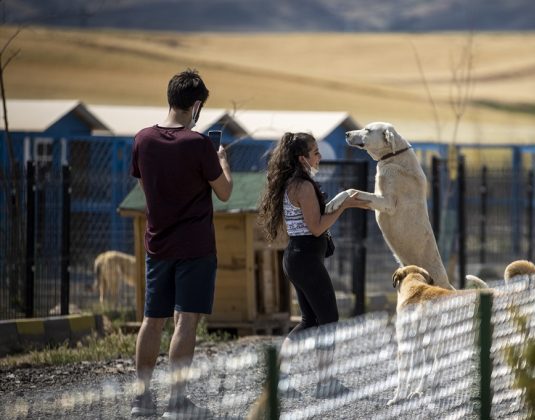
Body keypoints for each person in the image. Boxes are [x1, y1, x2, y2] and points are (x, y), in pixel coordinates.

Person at [129, 69, 233, 419]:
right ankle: (176, 402)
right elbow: (224, 192)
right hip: (195, 247)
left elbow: (145, 188)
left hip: (157, 244)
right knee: (185, 322)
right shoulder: (199, 144)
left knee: (152, 320)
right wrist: (222, 163)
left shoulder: (142, 139)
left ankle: (141, 402)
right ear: (197, 105)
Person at [257, 132, 368, 398]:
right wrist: (345, 207)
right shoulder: (302, 186)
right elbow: (317, 227)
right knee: (328, 318)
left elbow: (313, 221)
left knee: (310, 320)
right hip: (304, 258)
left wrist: (341, 202)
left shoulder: (296, 183)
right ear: (302, 158)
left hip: (299, 257)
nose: (319, 156)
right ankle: (324, 382)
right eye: (315, 152)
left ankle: (279, 377)